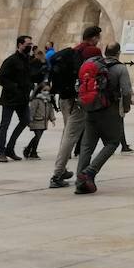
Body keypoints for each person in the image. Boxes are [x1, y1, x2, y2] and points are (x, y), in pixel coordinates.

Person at [73, 42, 134, 194]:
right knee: (112, 142)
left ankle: (80, 183)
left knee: (86, 146)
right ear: (118, 53)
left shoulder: (93, 64)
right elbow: (126, 91)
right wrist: (125, 108)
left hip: (91, 109)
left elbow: (79, 84)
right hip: (109, 111)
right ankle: (89, 172)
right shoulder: (120, 68)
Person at [48, 25, 101, 188]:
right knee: (71, 135)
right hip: (79, 100)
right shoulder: (92, 52)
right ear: (93, 38)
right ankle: (56, 175)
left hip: (65, 97)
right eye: (98, 37)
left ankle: (62, 169)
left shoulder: (74, 50)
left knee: (67, 133)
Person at [0, 34, 34, 163]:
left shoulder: (27, 60)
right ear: (20, 45)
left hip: (23, 99)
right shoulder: (11, 60)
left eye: (31, 44)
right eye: (28, 44)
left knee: (25, 120)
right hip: (10, 98)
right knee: (4, 125)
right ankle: (1, 152)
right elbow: (0, 77)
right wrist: (14, 87)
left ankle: (10, 148)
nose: (30, 47)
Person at [22, 57, 55, 159]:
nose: (46, 92)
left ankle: (30, 151)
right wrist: (30, 119)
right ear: (40, 90)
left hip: (43, 121)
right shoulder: (36, 100)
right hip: (36, 121)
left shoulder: (48, 100)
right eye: (44, 90)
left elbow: (50, 110)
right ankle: (31, 151)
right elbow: (32, 110)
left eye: (48, 91)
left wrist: (52, 118)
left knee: (38, 137)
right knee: (37, 136)